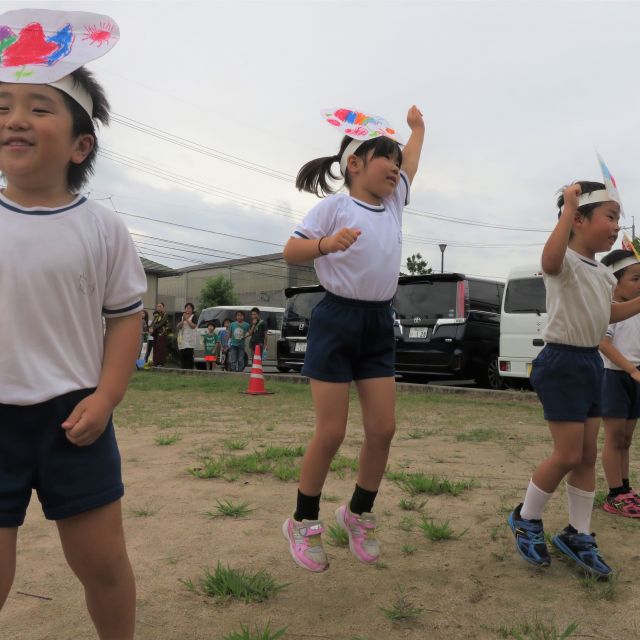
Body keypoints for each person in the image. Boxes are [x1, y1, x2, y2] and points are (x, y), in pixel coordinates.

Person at [0, 10, 145, 639]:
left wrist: (107, 396)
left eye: (39, 107)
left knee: (104, 565)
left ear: (81, 144)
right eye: (3, 104)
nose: (15, 119)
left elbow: (124, 321)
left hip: (74, 422)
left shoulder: (103, 227)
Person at [281, 106, 425, 572]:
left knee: (383, 429)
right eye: (388, 158)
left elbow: (414, 161)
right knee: (333, 431)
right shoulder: (335, 207)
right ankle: (303, 521)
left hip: (379, 322)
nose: (397, 168)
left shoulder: (395, 203)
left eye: (398, 162)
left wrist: (417, 132)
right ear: (355, 164)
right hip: (337, 320)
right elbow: (291, 250)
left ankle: (358, 511)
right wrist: (326, 244)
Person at [508, 182, 640, 579]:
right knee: (566, 455)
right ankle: (526, 517)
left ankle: (578, 534)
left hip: (589, 365)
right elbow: (548, 261)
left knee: (585, 457)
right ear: (579, 220)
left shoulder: (602, 273)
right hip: (561, 361)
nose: (616, 226)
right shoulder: (563, 259)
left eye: (618, 218)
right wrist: (566, 208)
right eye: (610, 217)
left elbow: (605, 318)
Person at [598, 250, 640, 517]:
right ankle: (614, 494)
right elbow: (603, 342)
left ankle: (625, 489)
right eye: (636, 279)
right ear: (614, 281)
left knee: (626, 439)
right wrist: (630, 369)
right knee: (614, 439)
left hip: (634, 376)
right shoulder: (609, 309)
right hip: (614, 376)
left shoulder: (635, 308)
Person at [176, 302, 198, 370]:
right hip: (183, 339)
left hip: (190, 340)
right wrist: (183, 320)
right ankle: (183, 369)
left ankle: (190, 370)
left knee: (189, 355)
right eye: (186, 308)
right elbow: (178, 326)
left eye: (189, 308)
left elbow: (193, 326)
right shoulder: (182, 317)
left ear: (192, 309)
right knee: (183, 355)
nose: (188, 309)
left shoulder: (194, 316)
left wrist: (187, 320)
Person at [150, 302, 169, 366]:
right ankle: (155, 362)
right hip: (156, 333)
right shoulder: (157, 315)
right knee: (156, 347)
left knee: (161, 348)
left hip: (163, 333)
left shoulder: (165, 314)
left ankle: (161, 363)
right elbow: (153, 323)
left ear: (163, 307)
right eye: (157, 306)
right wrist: (150, 328)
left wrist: (153, 328)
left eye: (160, 306)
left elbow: (161, 323)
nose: (158, 307)